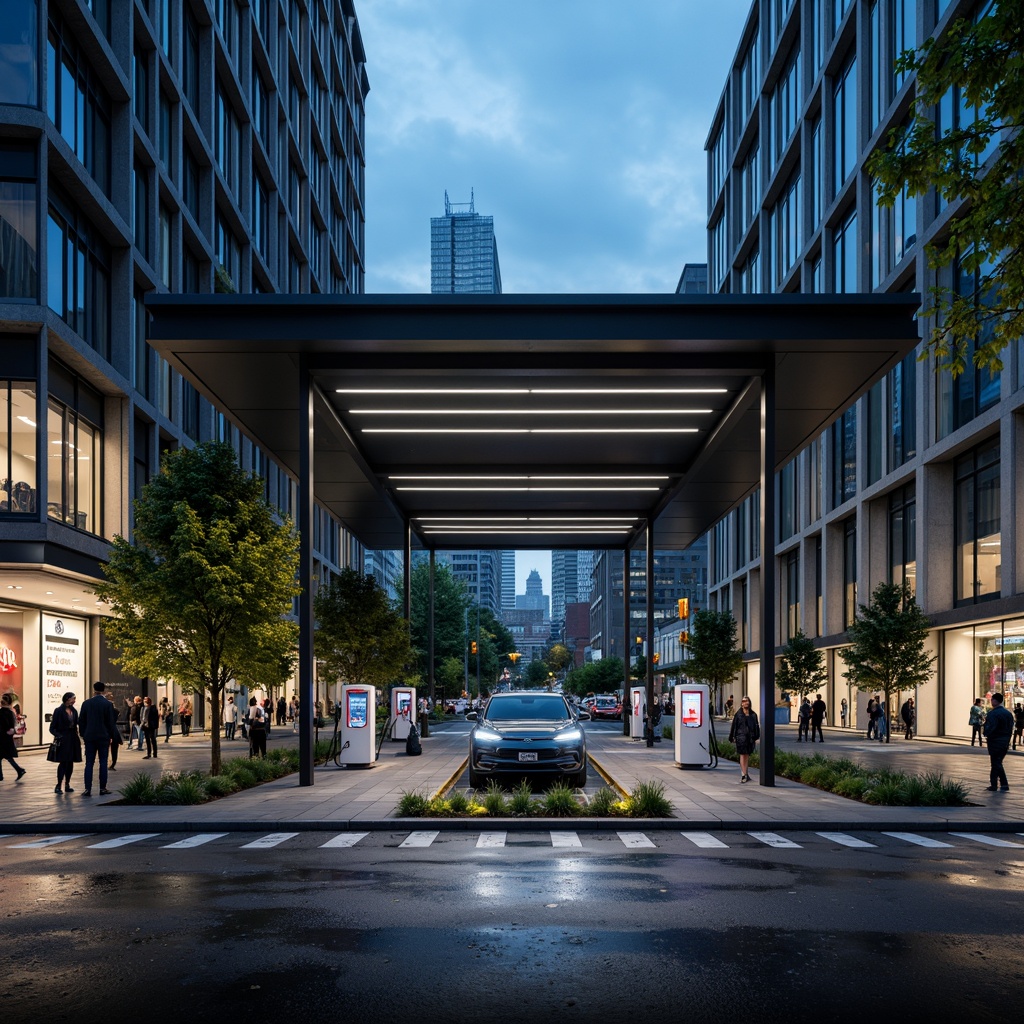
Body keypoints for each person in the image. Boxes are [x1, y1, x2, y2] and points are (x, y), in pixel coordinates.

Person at [78, 681, 119, 796]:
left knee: (89, 763)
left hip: (90, 737)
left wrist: (83, 734)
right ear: (104, 690)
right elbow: (111, 723)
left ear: (93, 690)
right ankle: (102, 788)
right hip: (103, 736)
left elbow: (81, 720)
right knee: (103, 762)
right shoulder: (107, 704)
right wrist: (111, 736)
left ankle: (87, 789)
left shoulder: (86, 703)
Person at [49, 691, 80, 793]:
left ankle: (67, 783)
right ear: (67, 699)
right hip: (63, 739)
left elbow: (77, 723)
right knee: (63, 762)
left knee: (70, 762)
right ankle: (58, 785)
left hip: (73, 739)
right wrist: (59, 735)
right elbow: (52, 727)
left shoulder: (74, 711)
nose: (74, 700)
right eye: (73, 698)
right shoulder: (58, 711)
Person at [983, 692, 1014, 792]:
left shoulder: (993, 714)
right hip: (1005, 741)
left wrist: (986, 733)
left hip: (995, 741)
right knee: (998, 762)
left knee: (995, 763)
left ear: (995, 701)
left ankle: (994, 784)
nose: (991, 701)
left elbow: (990, 727)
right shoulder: (1008, 714)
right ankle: (1003, 784)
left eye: (992, 700)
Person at [728, 696, 760, 783]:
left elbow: (756, 726)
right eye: (744, 701)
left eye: (747, 701)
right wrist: (732, 737)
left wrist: (756, 737)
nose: (746, 703)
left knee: (747, 755)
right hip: (741, 737)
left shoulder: (753, 715)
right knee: (742, 755)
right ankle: (744, 774)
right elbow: (734, 726)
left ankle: (746, 773)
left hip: (750, 738)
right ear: (742, 703)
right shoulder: (738, 714)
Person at [0, 692, 26, 781]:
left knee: (6, 756)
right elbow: (13, 724)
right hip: (6, 737)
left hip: (3, 737)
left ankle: (19, 770)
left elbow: (6, 725)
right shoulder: (10, 712)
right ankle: (19, 770)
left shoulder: (3, 712)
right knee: (7, 756)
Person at [105, 692, 123, 771]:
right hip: (114, 732)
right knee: (114, 749)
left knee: (106, 749)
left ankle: (109, 763)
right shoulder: (115, 711)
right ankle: (112, 763)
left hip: (108, 732)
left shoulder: (106, 712)